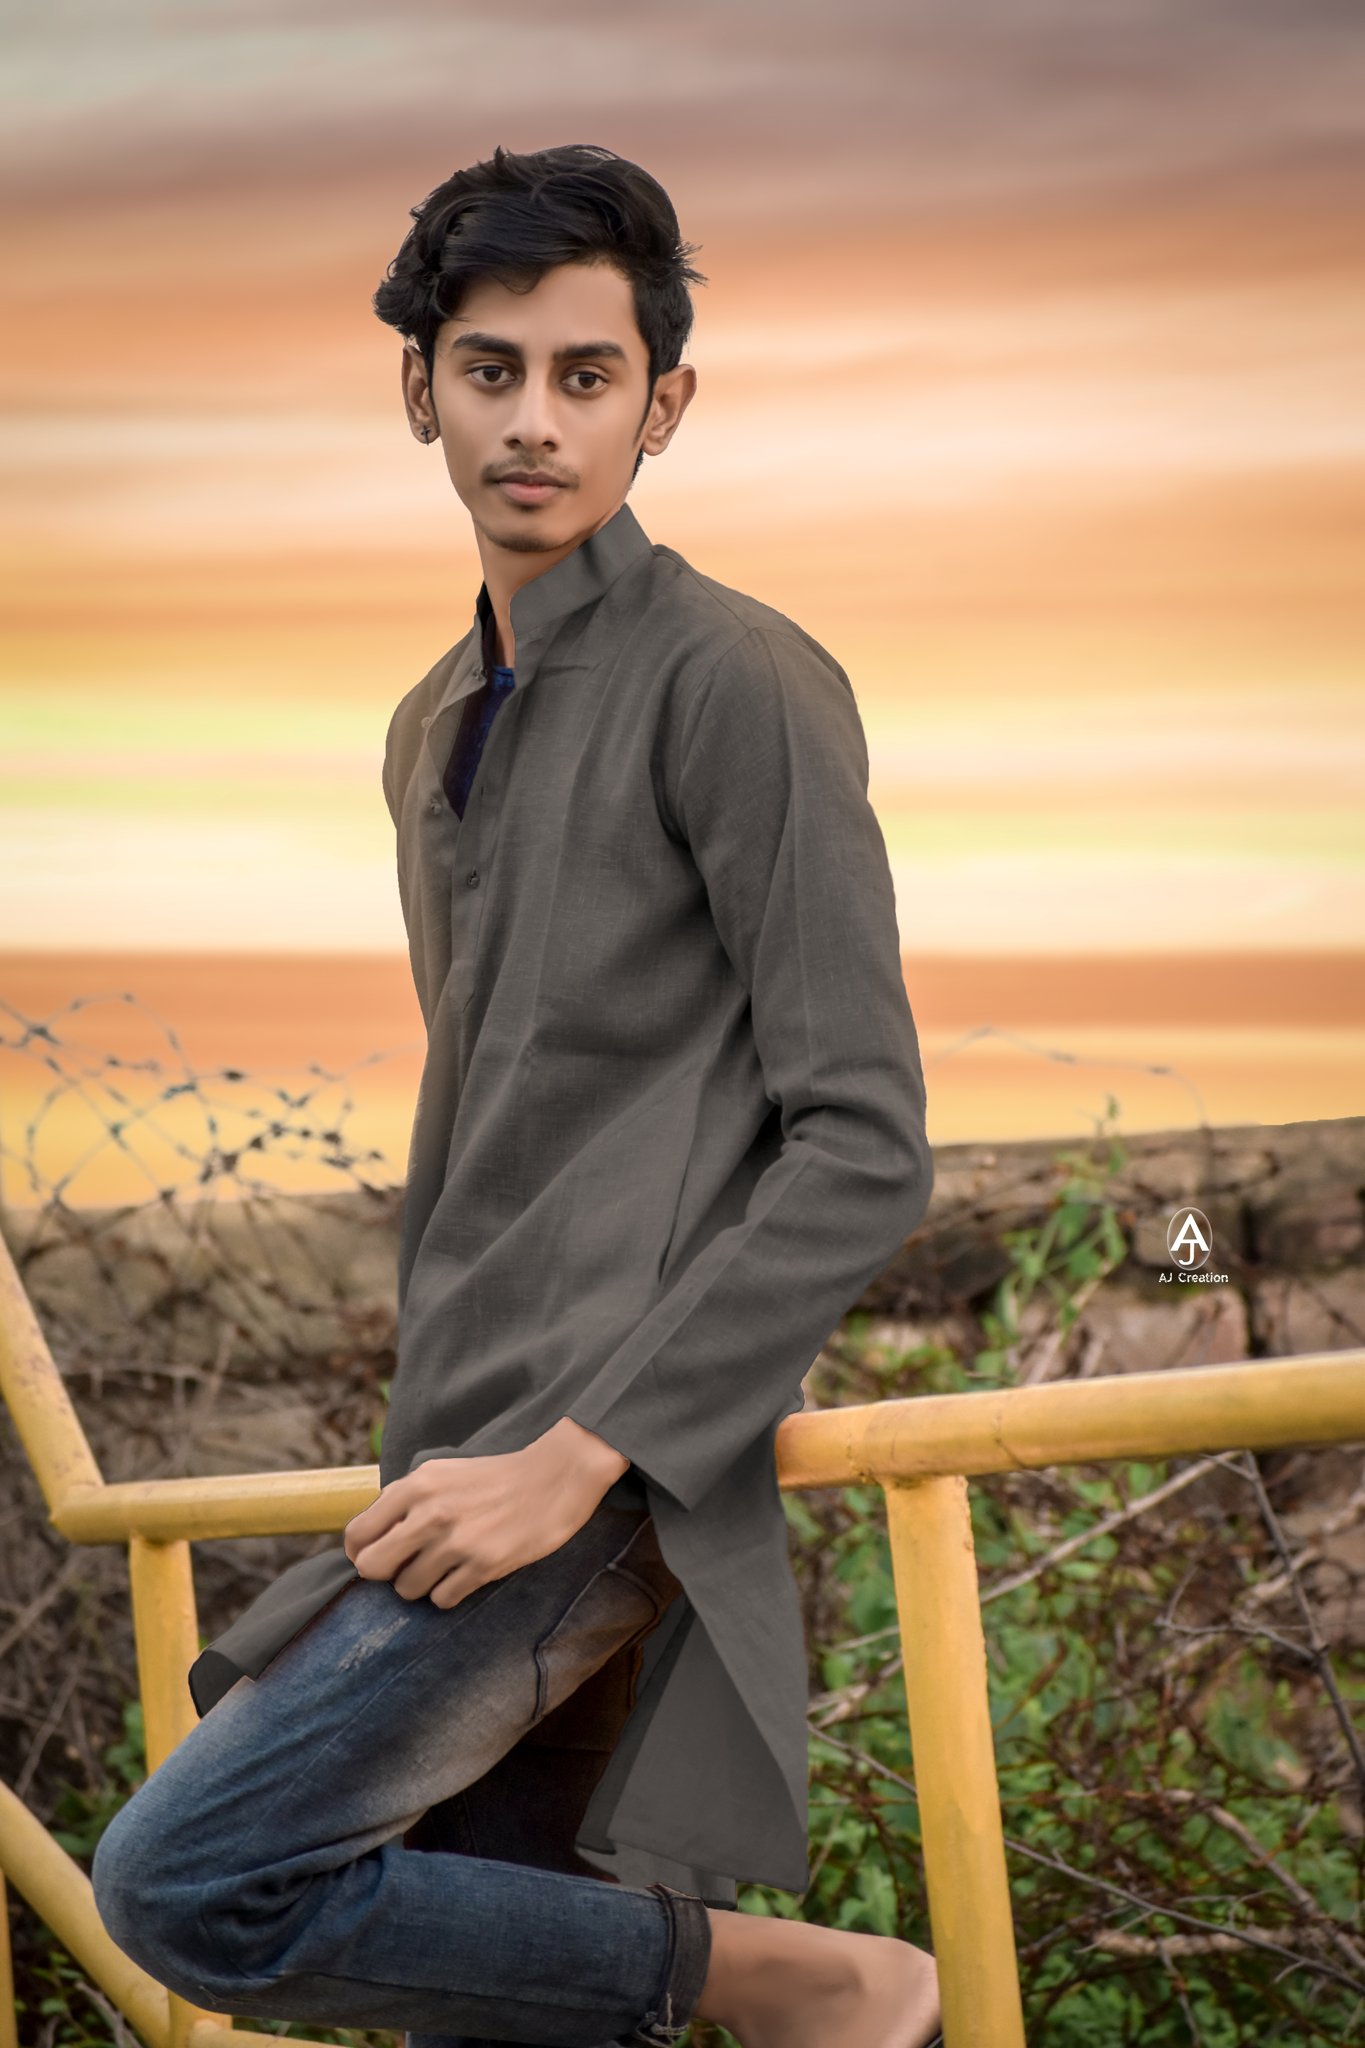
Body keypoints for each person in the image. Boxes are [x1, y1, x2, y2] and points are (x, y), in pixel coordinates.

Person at [91, 143, 941, 2048]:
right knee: (506, 2014)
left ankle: (823, 1989)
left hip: (598, 1465)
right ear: (421, 391)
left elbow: (864, 1137)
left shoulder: (738, 679)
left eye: (586, 376)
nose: (535, 423)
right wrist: (467, 1455)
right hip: (456, 1458)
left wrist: (585, 1455)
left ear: (666, 403)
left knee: (187, 1879)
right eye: (490, 371)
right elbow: (504, 1141)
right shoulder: (425, 725)